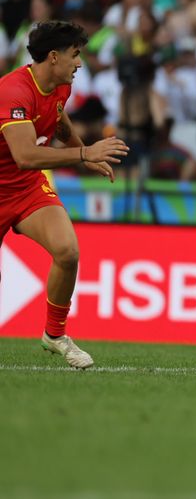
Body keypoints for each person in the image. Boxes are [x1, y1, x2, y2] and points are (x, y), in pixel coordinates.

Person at [0, 21, 130, 369]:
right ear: (54, 57)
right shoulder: (13, 92)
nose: (79, 63)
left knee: (67, 251)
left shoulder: (61, 86)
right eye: (75, 55)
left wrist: (83, 152)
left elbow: (58, 121)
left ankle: (55, 335)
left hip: (25, 188)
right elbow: (25, 155)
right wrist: (84, 154)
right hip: (13, 178)